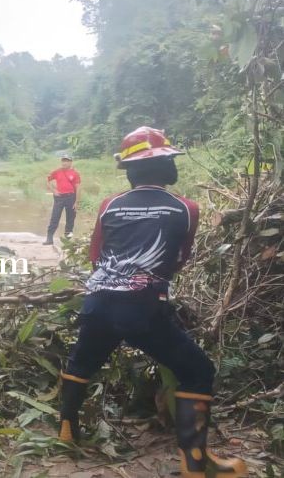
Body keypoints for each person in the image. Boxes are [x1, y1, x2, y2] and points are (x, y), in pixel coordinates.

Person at [58, 127, 246, 478]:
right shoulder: (186, 208)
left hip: (97, 301)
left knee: (82, 361)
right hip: (141, 309)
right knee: (198, 371)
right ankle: (195, 464)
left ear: (130, 171)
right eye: (170, 160)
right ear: (162, 168)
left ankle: (66, 432)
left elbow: (95, 256)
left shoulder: (108, 204)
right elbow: (177, 260)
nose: (174, 166)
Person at [44, 154, 81, 245]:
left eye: (67, 161)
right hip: (59, 198)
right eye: (63, 160)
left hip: (71, 197)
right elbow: (48, 180)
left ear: (70, 162)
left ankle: (67, 241)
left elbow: (78, 188)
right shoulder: (57, 172)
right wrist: (54, 190)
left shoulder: (75, 173)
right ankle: (49, 239)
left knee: (70, 220)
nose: (64, 162)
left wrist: (76, 202)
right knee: (54, 218)